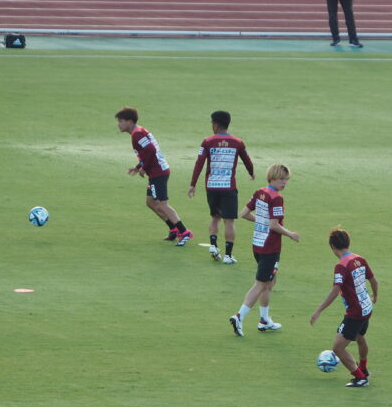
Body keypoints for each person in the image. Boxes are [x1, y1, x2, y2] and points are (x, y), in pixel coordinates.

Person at [229, 164, 300, 337]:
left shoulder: (259, 192)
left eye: (286, 179)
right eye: (282, 179)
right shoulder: (276, 198)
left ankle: (264, 320)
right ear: (273, 178)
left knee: (270, 282)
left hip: (257, 244)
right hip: (270, 247)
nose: (284, 183)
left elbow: (244, 213)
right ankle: (239, 316)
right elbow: (274, 225)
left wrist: (261, 222)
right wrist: (290, 234)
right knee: (261, 284)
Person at [310, 228, 378, 388]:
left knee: (338, 348)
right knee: (360, 337)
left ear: (332, 246)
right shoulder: (360, 259)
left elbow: (335, 291)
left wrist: (318, 310)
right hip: (367, 308)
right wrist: (375, 297)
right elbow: (374, 281)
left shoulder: (341, 266)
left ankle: (360, 378)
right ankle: (363, 368)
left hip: (355, 313)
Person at [114, 107, 192, 246]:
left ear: (130, 121)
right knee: (150, 202)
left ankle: (184, 232)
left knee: (162, 204)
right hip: (158, 170)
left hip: (158, 172)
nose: (118, 124)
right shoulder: (138, 131)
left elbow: (151, 150)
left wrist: (144, 167)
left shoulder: (137, 134)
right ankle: (173, 228)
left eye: (121, 121)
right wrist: (138, 167)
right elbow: (146, 152)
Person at [188, 110, 255, 265]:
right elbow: (247, 160)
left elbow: (199, 163)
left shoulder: (207, 142)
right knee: (229, 221)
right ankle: (228, 255)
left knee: (215, 217)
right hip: (228, 187)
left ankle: (213, 245)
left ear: (216, 124)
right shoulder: (238, 142)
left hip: (211, 186)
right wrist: (251, 173)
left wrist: (193, 184)